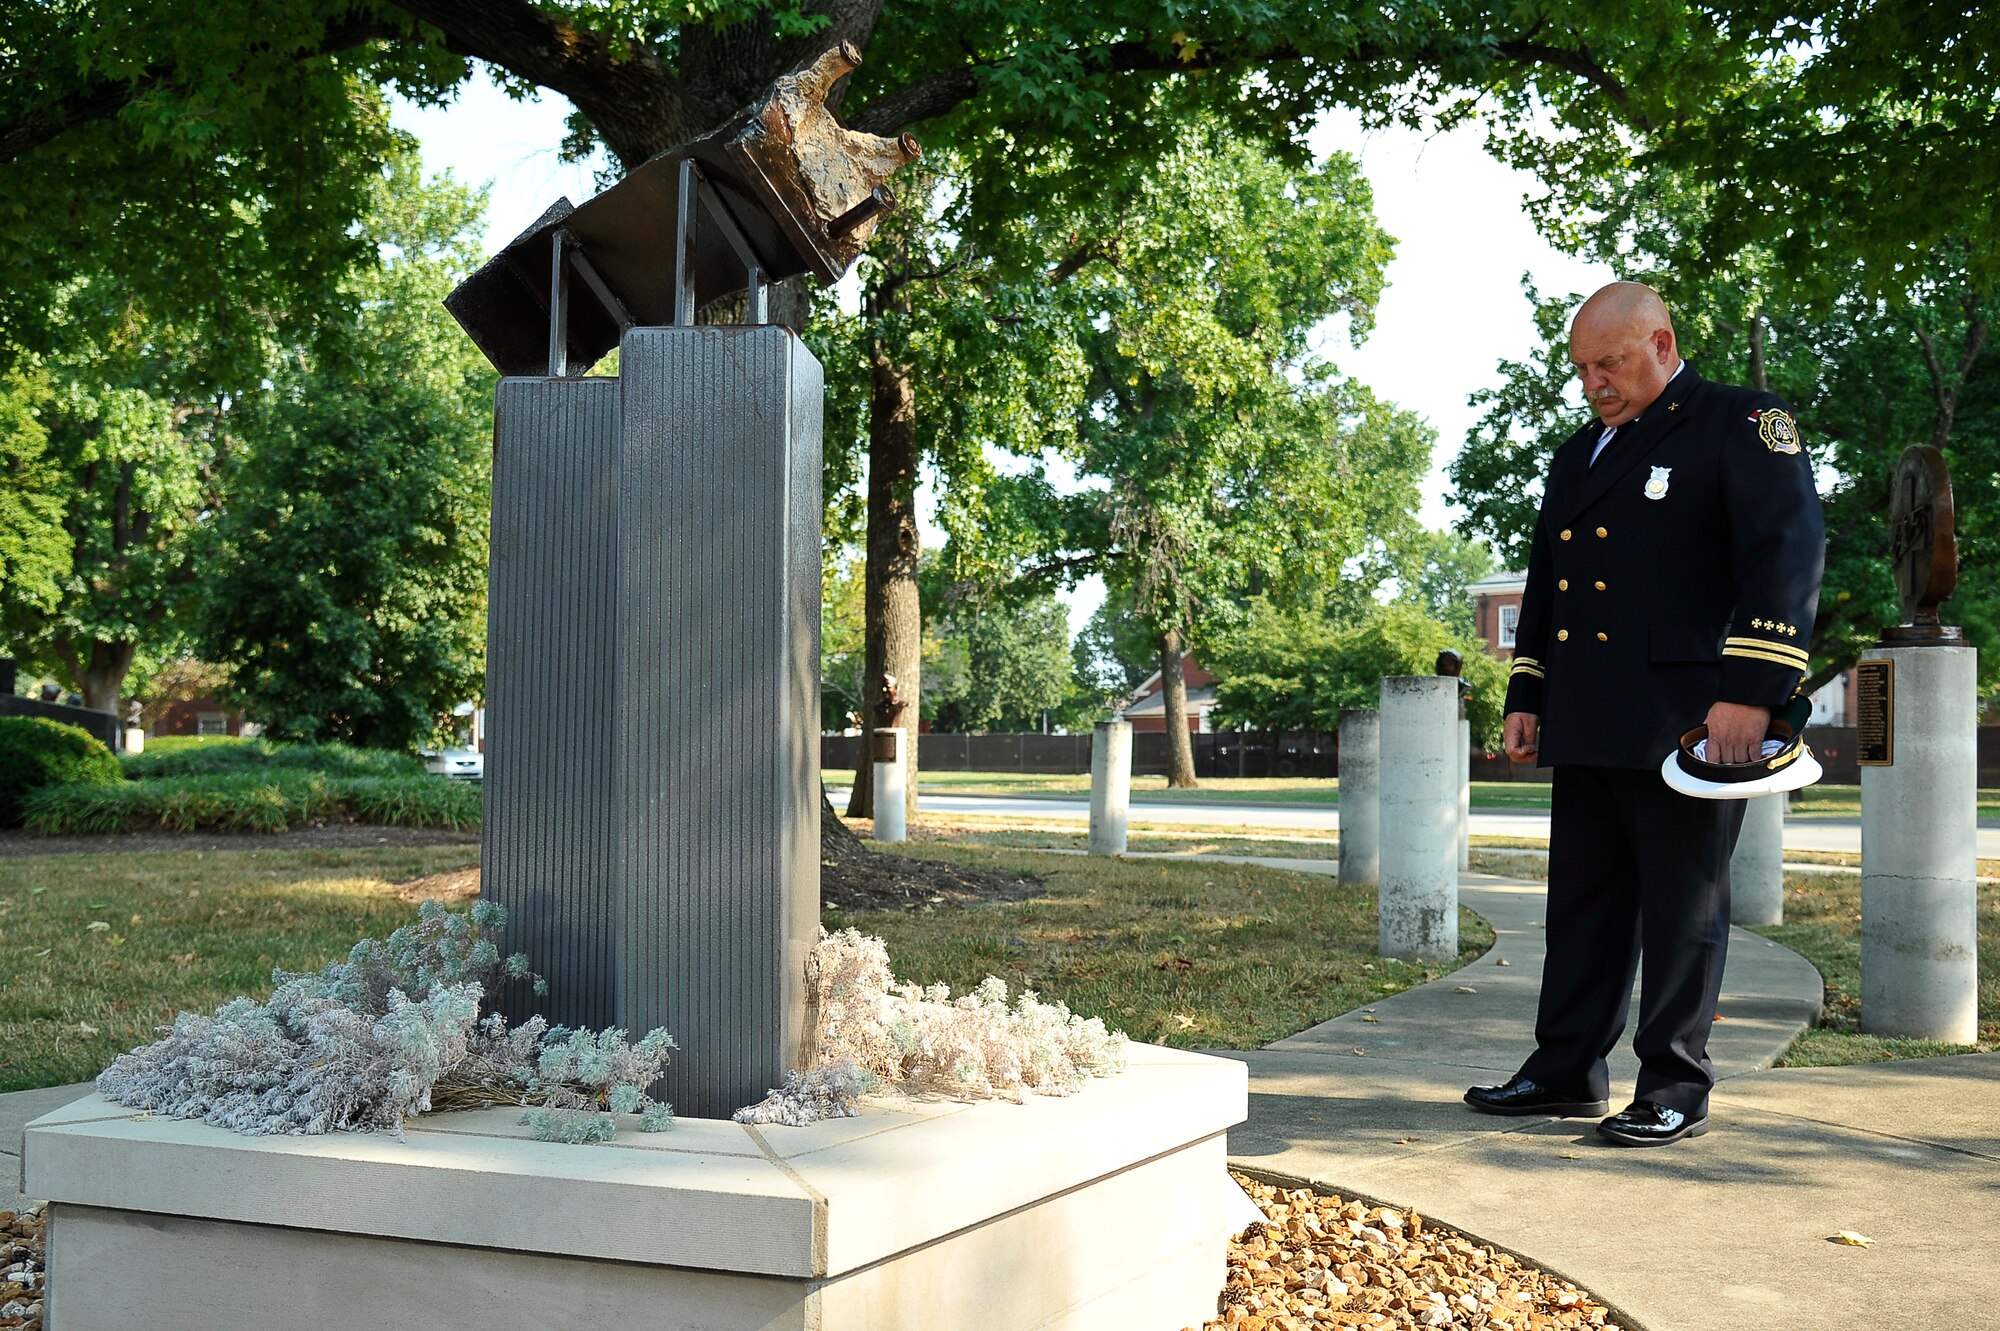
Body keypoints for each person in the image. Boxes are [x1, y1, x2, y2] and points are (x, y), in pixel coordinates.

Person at [1463, 282, 1825, 1146]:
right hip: (1589, 711)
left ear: (1661, 343)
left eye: (1611, 362)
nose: (1594, 382)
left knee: (1681, 907)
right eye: (1582, 368)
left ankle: (1673, 1083)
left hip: (1687, 718)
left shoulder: (1740, 424)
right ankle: (1565, 1068)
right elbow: (1550, 582)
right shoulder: (1578, 452)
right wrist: (1529, 692)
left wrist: (1751, 692)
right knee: (1582, 903)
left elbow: (1787, 550)